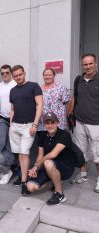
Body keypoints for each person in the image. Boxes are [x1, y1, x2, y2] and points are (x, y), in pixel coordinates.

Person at [26, 112, 75, 205]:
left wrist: (36, 166)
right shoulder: (42, 135)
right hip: (48, 166)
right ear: (44, 125)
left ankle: (59, 194)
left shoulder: (64, 135)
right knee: (30, 187)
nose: (50, 125)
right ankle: (53, 179)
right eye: (47, 123)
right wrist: (36, 170)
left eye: (52, 123)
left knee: (48, 162)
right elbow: (40, 155)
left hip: (66, 167)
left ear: (57, 123)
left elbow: (53, 154)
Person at [9, 65, 43, 195]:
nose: (18, 77)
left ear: (24, 73)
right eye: (16, 76)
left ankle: (24, 181)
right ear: (13, 77)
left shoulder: (34, 86)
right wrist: (11, 125)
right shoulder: (12, 91)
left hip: (28, 126)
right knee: (19, 153)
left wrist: (35, 124)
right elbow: (12, 109)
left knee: (25, 153)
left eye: (20, 74)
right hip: (15, 126)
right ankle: (24, 176)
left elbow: (40, 105)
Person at [69, 53, 99, 193]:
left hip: (96, 123)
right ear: (82, 65)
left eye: (90, 63)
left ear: (95, 63)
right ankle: (83, 175)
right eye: (85, 64)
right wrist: (71, 114)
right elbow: (75, 98)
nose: (88, 66)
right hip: (79, 121)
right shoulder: (78, 80)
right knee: (81, 151)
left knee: (97, 153)